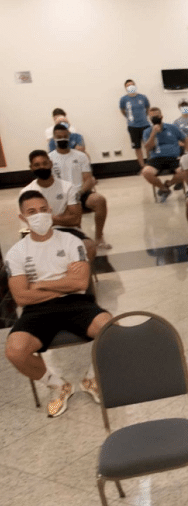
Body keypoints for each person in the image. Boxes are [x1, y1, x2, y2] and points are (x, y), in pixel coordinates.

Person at [5, 190, 112, 418]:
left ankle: (91, 379)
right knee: (15, 351)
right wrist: (64, 283)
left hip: (77, 303)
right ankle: (59, 385)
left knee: (110, 329)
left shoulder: (71, 241)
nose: (39, 215)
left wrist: (39, 285)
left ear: (51, 210)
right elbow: (22, 298)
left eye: (43, 210)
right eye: (32, 212)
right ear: (22, 217)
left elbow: (81, 282)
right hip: (37, 310)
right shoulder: (16, 253)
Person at [21, 150, 97, 262]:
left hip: (68, 230)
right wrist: (62, 216)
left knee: (89, 246)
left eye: (44, 163)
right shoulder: (26, 192)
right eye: (37, 165)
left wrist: (46, 217)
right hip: (41, 233)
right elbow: (31, 222)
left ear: (51, 164)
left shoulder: (68, 187)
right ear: (31, 168)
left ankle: (81, 279)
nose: (42, 167)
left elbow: (75, 220)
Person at [50, 125, 111, 250]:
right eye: (58, 137)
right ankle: (76, 237)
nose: (62, 139)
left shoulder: (80, 156)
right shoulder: (50, 158)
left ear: (69, 137)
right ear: (54, 138)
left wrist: (80, 192)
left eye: (64, 136)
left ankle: (99, 237)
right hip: (61, 197)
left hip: (80, 193)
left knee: (100, 200)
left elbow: (88, 179)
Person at [141, 107, 187, 202]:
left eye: (156, 116)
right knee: (146, 172)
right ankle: (163, 189)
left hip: (173, 158)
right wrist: (153, 133)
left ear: (161, 116)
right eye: (152, 117)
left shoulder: (172, 128)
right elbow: (148, 147)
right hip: (156, 159)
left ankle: (168, 184)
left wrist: (186, 153)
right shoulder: (147, 131)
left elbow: (186, 140)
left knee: (185, 170)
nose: (154, 118)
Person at [119, 79, 150, 167]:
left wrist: (143, 116)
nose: (130, 86)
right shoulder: (124, 99)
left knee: (148, 146)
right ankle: (143, 166)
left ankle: (150, 165)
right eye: (128, 85)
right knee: (137, 147)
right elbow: (123, 110)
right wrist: (129, 118)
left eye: (132, 84)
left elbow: (147, 108)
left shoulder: (143, 97)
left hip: (145, 125)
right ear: (125, 88)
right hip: (133, 126)